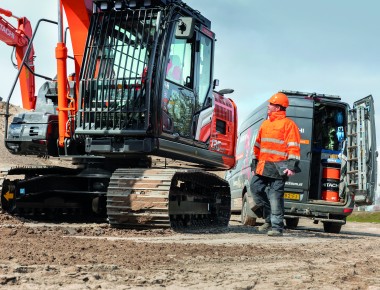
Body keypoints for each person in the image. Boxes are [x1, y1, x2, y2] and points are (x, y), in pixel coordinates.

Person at [250, 92, 301, 236]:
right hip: (263, 165)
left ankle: (277, 227)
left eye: (271, 104)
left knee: (275, 197)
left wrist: (291, 166)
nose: (268, 106)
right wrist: (255, 163)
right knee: (255, 188)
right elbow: (258, 146)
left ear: (278, 107)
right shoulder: (265, 124)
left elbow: (294, 147)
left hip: (280, 168)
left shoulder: (289, 125)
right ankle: (268, 219)